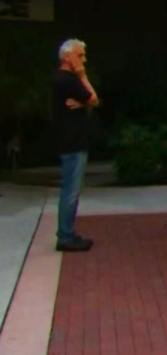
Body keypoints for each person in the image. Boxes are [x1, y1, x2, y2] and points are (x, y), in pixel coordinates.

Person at [52, 39, 99, 251]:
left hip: (71, 141)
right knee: (71, 191)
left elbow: (88, 101)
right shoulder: (68, 79)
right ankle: (65, 236)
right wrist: (81, 75)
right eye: (79, 56)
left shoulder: (62, 80)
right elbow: (94, 98)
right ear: (67, 57)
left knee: (70, 189)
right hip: (73, 143)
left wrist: (82, 103)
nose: (83, 60)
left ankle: (66, 233)